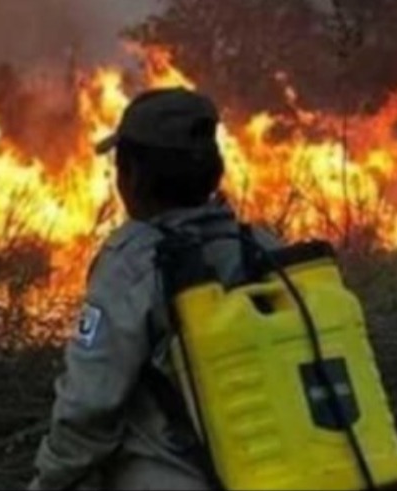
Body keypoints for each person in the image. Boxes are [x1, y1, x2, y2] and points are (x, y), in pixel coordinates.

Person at [29, 87, 280, 490]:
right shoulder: (262, 247)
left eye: (120, 165)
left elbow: (89, 407)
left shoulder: (132, 264)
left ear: (134, 176)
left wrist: (50, 481)